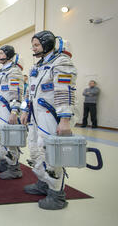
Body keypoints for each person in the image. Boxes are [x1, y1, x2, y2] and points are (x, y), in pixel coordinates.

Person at [20, 30, 77, 210]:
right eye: (33, 45)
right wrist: (24, 111)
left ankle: (57, 195)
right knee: (35, 149)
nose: (34, 48)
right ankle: (43, 182)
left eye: (37, 45)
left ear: (47, 44)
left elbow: (65, 91)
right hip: (36, 116)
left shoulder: (61, 63)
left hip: (52, 116)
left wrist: (65, 119)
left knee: (50, 153)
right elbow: (29, 91)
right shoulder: (39, 66)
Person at [0, 46, 24, 179]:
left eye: (2, 53)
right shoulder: (1, 72)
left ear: (9, 55)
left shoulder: (14, 71)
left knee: (10, 139)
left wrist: (14, 111)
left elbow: (16, 93)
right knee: (0, 137)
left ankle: (14, 168)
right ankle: (4, 162)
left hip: (8, 111)